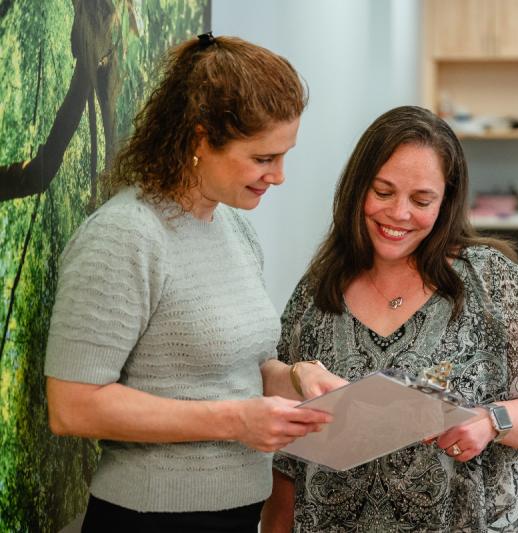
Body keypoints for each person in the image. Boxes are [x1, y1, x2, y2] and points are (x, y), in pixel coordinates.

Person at [44, 33, 346, 532]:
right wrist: (237, 421)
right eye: (264, 158)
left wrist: (295, 379)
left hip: (236, 511)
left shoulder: (234, 229)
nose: (280, 176)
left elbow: (234, 367)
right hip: (149, 516)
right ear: (201, 139)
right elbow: (72, 407)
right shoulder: (126, 236)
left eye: (283, 156)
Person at [262, 105, 518, 532]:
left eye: (421, 200)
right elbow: (288, 458)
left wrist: (491, 421)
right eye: (382, 192)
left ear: (446, 202)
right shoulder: (317, 293)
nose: (398, 214)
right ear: (357, 188)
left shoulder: (490, 281)